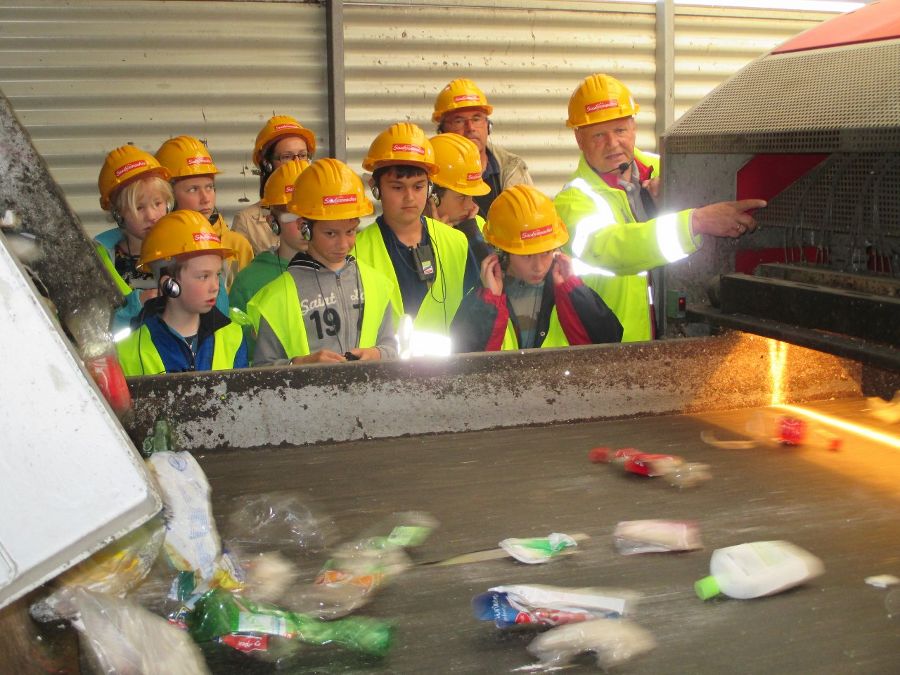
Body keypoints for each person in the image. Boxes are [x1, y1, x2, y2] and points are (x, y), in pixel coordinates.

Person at [554, 73, 766, 342]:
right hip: (609, 348)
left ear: (633, 127)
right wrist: (694, 221)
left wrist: (677, 201)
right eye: (598, 135)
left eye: (620, 130)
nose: (613, 143)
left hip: (677, 334)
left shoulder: (669, 169)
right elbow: (615, 249)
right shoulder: (573, 200)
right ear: (579, 139)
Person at [249, 158, 398, 366]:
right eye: (330, 233)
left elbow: (392, 348)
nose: (343, 243)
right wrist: (299, 364)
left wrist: (377, 354)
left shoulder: (377, 284)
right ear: (304, 227)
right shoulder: (276, 297)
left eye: (350, 231)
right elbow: (261, 370)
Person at [451, 185, 622, 352]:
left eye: (546, 253)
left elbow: (610, 343)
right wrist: (488, 303)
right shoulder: (483, 296)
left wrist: (574, 292)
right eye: (527, 256)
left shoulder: (568, 290)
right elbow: (463, 359)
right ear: (501, 251)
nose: (538, 267)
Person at [353, 122, 479, 336]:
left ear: (430, 187)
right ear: (376, 188)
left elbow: (479, 313)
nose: (409, 197)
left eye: (418, 186)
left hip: (453, 368)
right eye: (397, 187)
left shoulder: (457, 243)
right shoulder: (356, 253)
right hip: (384, 368)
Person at [115, 210, 249, 376]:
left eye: (217, 274)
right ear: (169, 285)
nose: (215, 286)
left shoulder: (233, 337)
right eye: (203, 276)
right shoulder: (130, 350)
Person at [155, 135, 254, 290]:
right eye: (193, 189)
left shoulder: (237, 246)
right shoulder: (155, 246)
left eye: (209, 187)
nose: (206, 198)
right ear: (169, 197)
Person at [95, 145, 173, 334]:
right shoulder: (100, 260)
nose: (152, 215)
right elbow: (94, 326)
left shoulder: (186, 249)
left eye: (158, 203)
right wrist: (136, 306)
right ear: (118, 213)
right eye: (139, 208)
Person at [432, 78, 532, 215]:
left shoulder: (513, 167)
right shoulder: (430, 172)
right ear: (442, 131)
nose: (470, 128)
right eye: (459, 121)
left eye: (476, 118)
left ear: (488, 125)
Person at [228, 159, 310, 313]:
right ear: (273, 222)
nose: (305, 226)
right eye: (293, 217)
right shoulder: (249, 281)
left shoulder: (337, 269)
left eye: (311, 213)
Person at [232, 115, 317, 255]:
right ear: (267, 165)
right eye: (287, 157)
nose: (297, 164)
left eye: (302, 155)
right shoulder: (247, 221)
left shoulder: (326, 210)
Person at [426, 132, 493, 265]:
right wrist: (437, 241)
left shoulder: (477, 225)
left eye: (471, 196)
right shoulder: (411, 235)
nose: (473, 207)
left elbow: (491, 279)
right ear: (431, 194)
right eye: (462, 197)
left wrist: (471, 233)